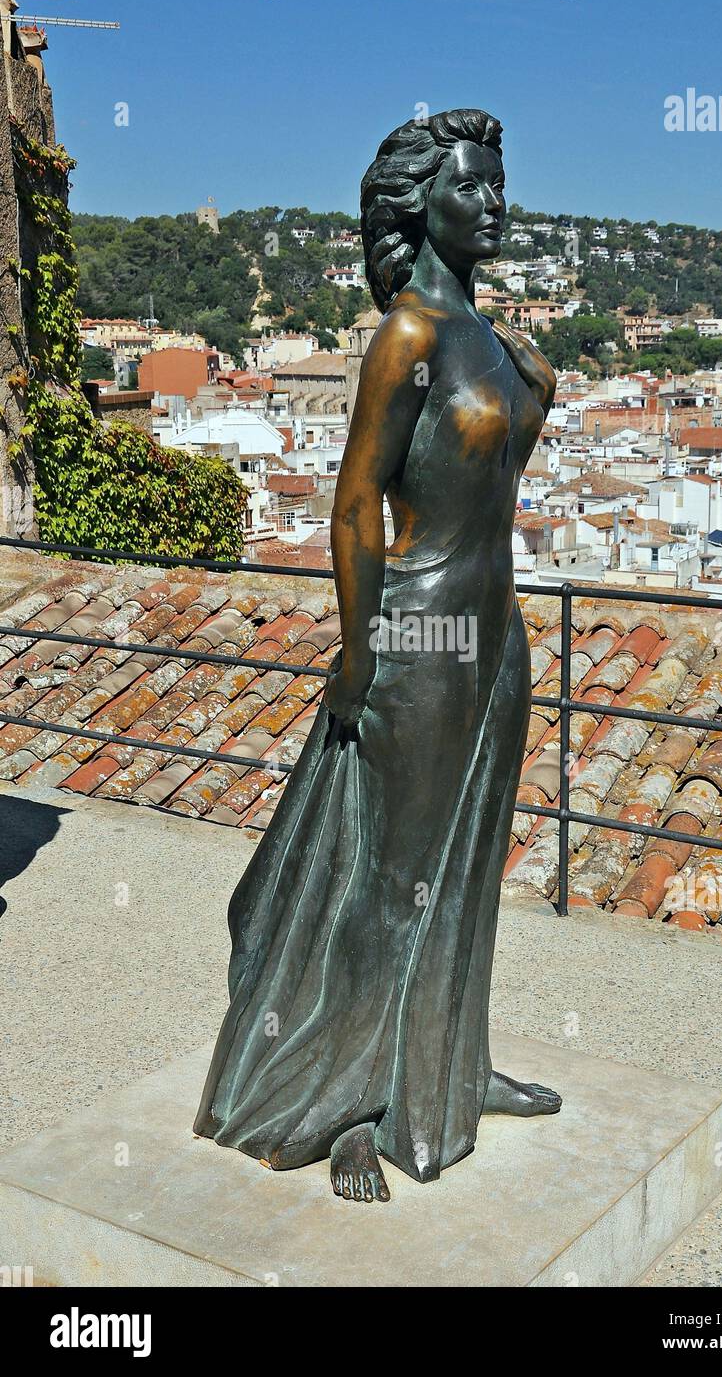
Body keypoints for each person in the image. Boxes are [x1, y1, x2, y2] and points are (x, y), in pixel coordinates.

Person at [195, 109, 561, 1204]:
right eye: (473, 187)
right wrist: (359, 650)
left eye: (500, 185)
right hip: (420, 627)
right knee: (386, 878)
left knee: (460, 869)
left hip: (493, 631)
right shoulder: (405, 335)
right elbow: (356, 503)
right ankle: (343, 1102)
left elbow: (493, 479)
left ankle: (441, 1067)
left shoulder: (493, 341)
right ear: (422, 204)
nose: (494, 203)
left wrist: (530, 382)